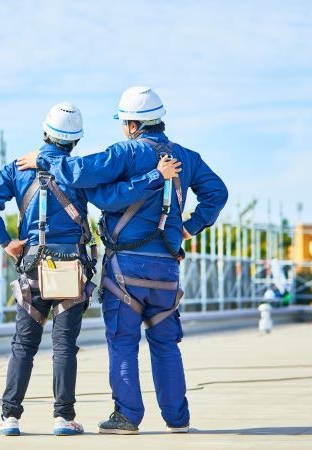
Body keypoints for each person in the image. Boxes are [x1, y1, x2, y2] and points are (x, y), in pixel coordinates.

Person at [17, 86, 228, 434]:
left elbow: (77, 173)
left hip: (126, 268)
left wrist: (47, 159)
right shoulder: (187, 157)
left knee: (123, 342)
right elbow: (217, 193)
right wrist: (190, 227)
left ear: (132, 124)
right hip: (166, 268)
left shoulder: (125, 153)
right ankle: (177, 419)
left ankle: (127, 416)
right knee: (165, 344)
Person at [0, 102, 181, 437]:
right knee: (64, 345)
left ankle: (10, 417)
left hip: (31, 267)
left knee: (23, 345)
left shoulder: (16, 169)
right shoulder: (77, 172)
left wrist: (7, 242)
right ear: (75, 140)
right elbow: (115, 196)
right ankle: (63, 418)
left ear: (45, 131)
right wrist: (155, 175)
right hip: (71, 267)